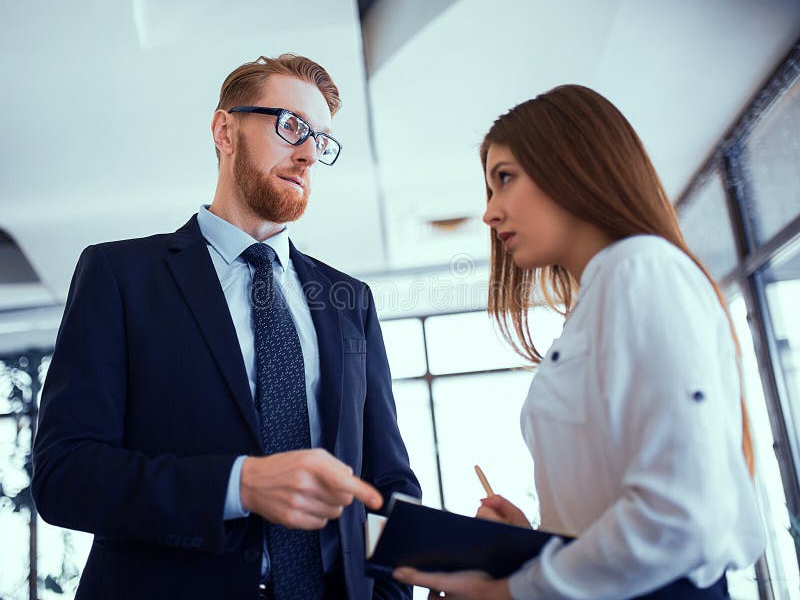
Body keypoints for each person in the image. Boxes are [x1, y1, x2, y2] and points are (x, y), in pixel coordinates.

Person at [32, 53, 420, 600]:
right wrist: (240, 485)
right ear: (225, 130)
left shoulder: (349, 300)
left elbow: (387, 481)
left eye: (322, 142)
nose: (309, 153)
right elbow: (65, 475)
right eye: (292, 127)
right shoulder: (120, 276)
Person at [393, 85, 765, 599]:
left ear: (572, 166)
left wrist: (511, 592)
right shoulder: (602, 294)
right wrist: (536, 544)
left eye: (505, 180)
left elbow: (677, 516)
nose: (490, 212)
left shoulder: (641, 270)